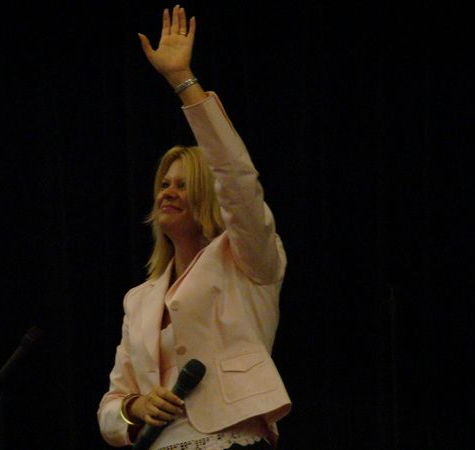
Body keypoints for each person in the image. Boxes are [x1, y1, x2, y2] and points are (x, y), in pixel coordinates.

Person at [97, 5, 291, 449]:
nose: (167, 193)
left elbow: (237, 177)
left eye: (183, 185)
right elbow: (111, 405)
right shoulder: (139, 299)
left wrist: (183, 82)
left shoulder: (249, 260)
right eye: (164, 184)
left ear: (208, 196)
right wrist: (136, 407)